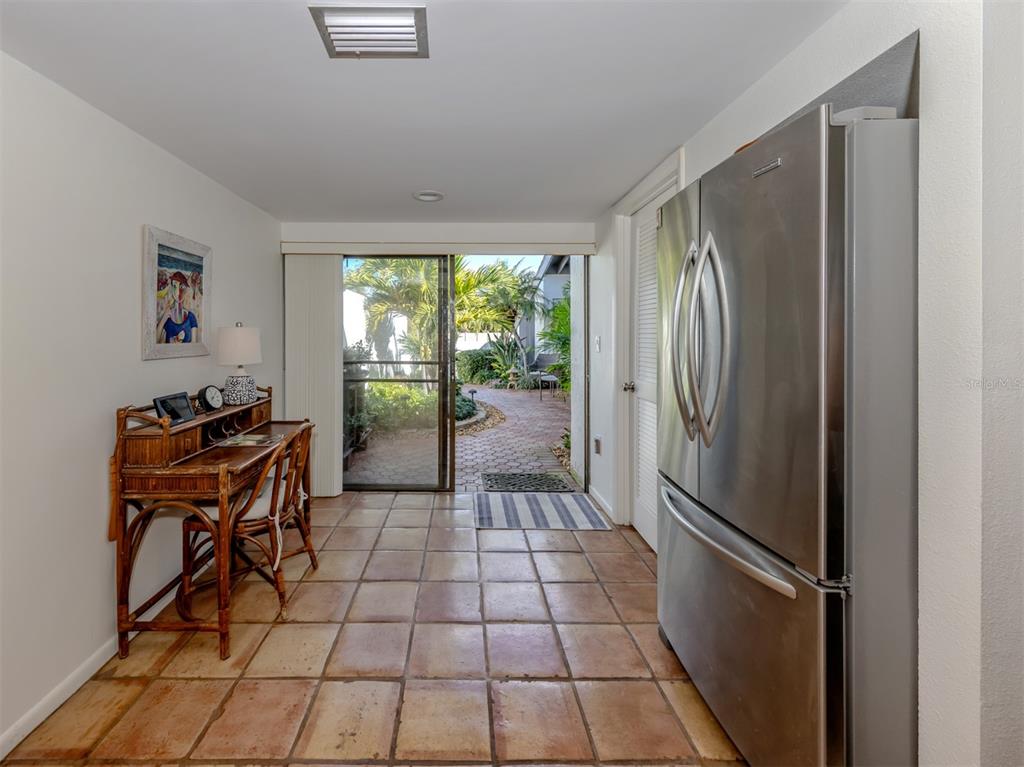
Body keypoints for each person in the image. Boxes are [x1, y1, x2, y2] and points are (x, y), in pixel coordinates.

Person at [157, 271, 199, 343]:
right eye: (174, 286)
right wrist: (163, 319)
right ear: (171, 288)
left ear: (185, 289)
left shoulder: (191, 318)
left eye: (181, 286)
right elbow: (156, 342)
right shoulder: (167, 319)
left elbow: (194, 345)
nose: (178, 292)